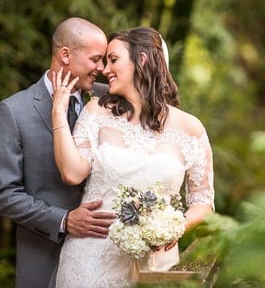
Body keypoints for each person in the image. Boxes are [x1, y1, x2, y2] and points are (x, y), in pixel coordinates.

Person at [50, 26, 215, 287]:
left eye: (113, 59)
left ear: (142, 60)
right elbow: (72, 173)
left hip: (155, 265)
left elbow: (202, 202)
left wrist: (174, 228)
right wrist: (58, 112)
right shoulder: (96, 112)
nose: (104, 70)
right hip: (90, 260)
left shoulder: (191, 128)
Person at [0, 17, 117, 288]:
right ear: (66, 55)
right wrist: (64, 220)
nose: (103, 69)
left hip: (107, 257)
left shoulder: (111, 101)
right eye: (96, 59)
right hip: (45, 258)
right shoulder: (14, 111)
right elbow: (4, 195)